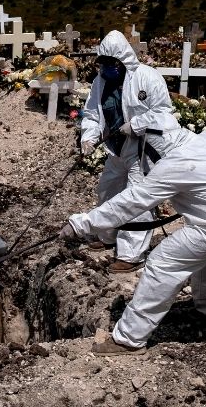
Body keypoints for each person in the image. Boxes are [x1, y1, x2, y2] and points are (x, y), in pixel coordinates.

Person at [61, 126, 206, 355]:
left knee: (163, 261)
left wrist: (82, 223)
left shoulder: (174, 164)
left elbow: (132, 201)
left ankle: (129, 339)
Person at [77, 30, 179, 272]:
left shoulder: (147, 78)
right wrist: (88, 138)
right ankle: (108, 235)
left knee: (136, 199)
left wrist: (135, 125)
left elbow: (164, 114)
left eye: (111, 64)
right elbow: (92, 113)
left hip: (142, 149)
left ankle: (131, 255)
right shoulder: (100, 83)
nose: (106, 69)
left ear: (123, 61)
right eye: (102, 64)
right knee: (107, 192)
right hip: (116, 150)